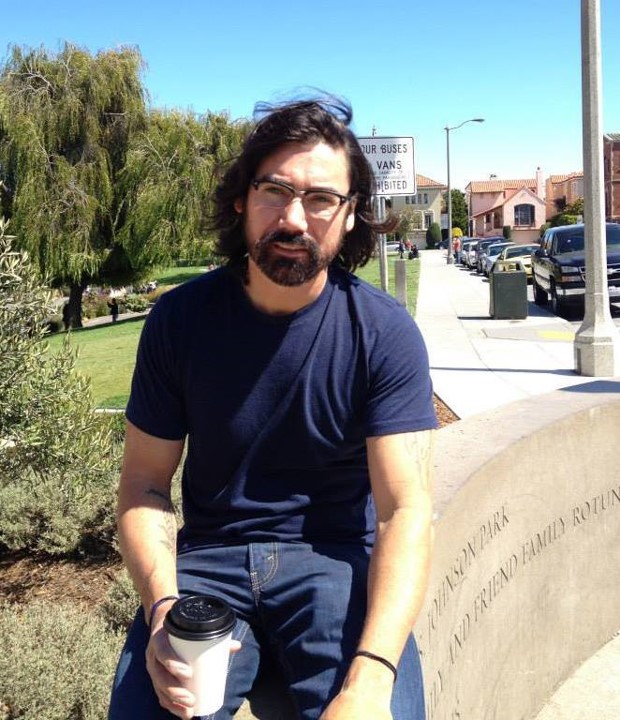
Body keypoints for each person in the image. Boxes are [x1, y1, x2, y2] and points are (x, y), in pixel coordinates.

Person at [108, 96, 437, 720]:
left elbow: (404, 512)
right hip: (207, 565)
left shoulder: (382, 332)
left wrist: (369, 680)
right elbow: (145, 487)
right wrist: (161, 612)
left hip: (336, 563)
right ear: (242, 200)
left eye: (320, 200)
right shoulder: (180, 321)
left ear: (349, 217)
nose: (293, 218)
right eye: (274, 190)